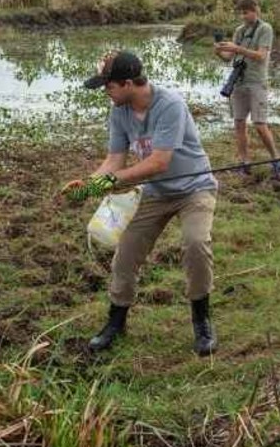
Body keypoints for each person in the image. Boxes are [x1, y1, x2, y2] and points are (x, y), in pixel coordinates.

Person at [60, 50, 219, 356]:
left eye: (109, 86)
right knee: (125, 254)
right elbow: (114, 160)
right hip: (156, 192)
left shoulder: (169, 105)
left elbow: (159, 162)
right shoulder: (119, 112)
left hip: (194, 188)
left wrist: (112, 182)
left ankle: (202, 321)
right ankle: (115, 323)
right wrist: (89, 184)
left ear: (129, 83)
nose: (106, 91)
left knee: (196, 244)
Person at [214, 0, 280, 178]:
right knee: (238, 123)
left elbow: (261, 56)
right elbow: (229, 57)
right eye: (241, 13)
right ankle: (244, 163)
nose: (243, 16)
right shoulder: (239, 31)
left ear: (255, 10)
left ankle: (276, 161)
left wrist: (237, 49)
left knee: (260, 124)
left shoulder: (265, 29)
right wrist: (219, 51)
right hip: (238, 82)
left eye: (246, 13)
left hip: (256, 82)